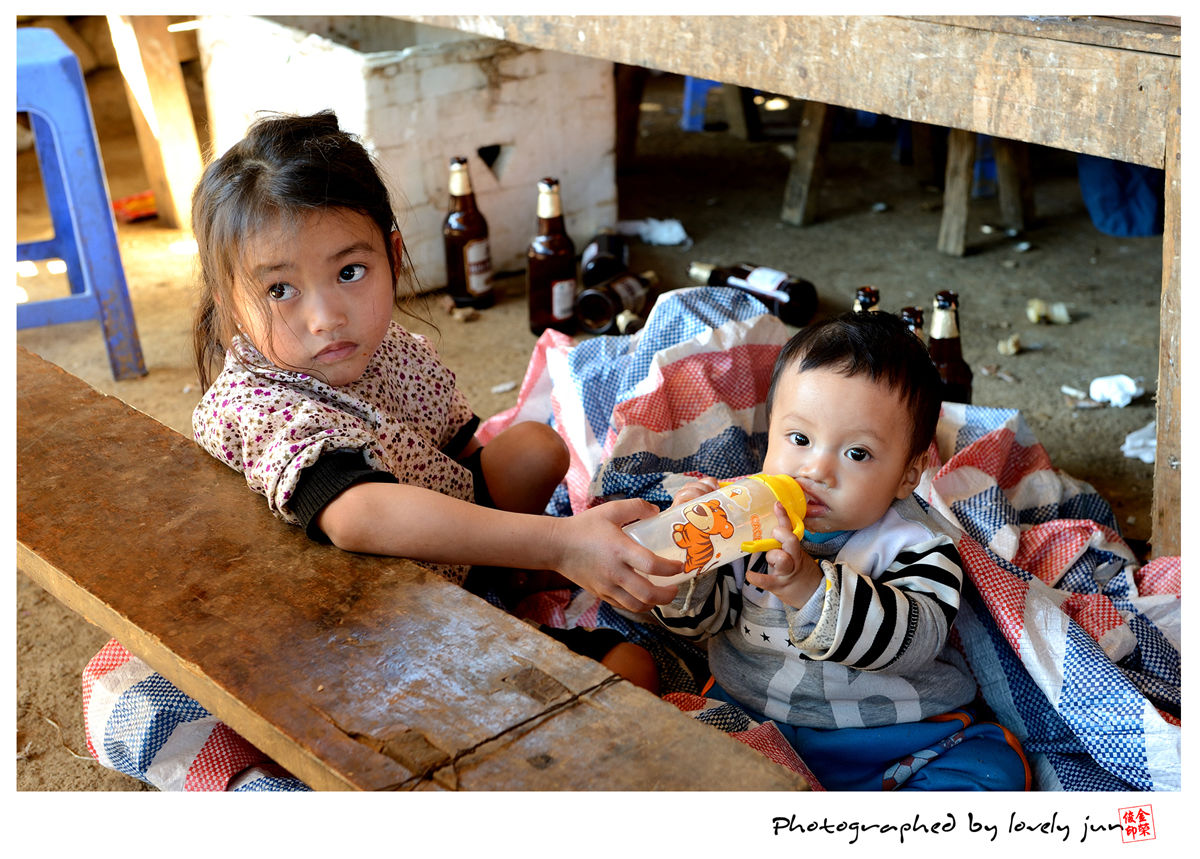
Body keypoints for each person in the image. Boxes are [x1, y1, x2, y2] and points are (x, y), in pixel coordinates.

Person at [189, 110, 681, 689]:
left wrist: (526, 549)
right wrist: (558, 545)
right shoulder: (257, 407)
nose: (326, 318)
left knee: (534, 448)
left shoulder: (390, 350)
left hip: (441, 560)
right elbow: (359, 517)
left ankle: (502, 574)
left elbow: (457, 452)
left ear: (392, 258)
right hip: (370, 615)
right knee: (630, 671)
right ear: (229, 303)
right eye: (280, 289)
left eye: (349, 272)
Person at [652, 310, 1030, 790]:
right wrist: (689, 551)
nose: (816, 470)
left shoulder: (916, 543)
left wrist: (811, 591)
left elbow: (917, 640)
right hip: (751, 718)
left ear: (908, 475)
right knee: (660, 748)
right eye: (799, 439)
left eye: (857, 453)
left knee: (993, 771)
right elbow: (695, 623)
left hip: (891, 739)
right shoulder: (739, 517)